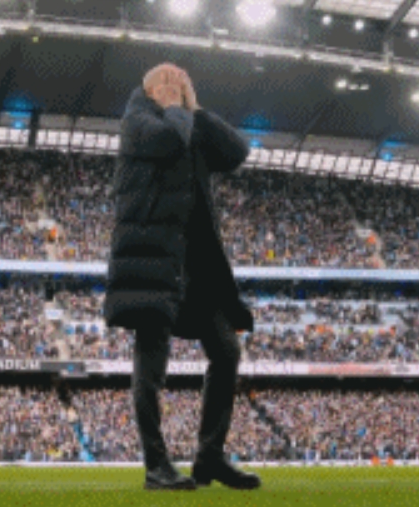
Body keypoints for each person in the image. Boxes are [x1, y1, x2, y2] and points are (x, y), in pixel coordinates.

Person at [103, 62, 261, 491]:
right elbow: (167, 140)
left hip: (195, 268)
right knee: (151, 367)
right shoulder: (137, 120)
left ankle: (209, 457)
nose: (177, 88)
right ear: (151, 88)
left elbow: (237, 152)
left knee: (226, 351)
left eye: (183, 83)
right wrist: (175, 109)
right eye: (170, 83)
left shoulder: (187, 121)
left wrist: (196, 109)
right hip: (153, 262)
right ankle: (157, 466)